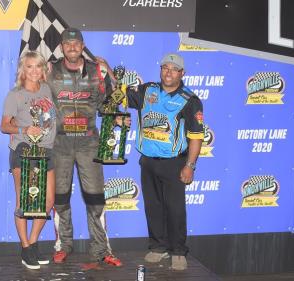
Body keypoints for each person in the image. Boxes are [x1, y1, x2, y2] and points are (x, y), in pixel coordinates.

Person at [46, 27, 122, 267]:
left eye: (76, 44)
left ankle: (101, 249)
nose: (72, 48)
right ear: (61, 47)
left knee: (96, 197)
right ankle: (63, 245)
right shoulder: (50, 70)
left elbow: (111, 100)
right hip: (60, 141)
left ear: (82, 45)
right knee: (60, 197)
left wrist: (110, 73)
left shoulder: (96, 71)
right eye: (67, 44)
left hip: (89, 141)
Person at [125, 53, 204, 270]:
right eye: (164, 68)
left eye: (173, 69)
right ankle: (158, 247)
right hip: (148, 161)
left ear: (182, 73)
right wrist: (107, 72)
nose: (168, 72)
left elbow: (196, 137)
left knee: (175, 209)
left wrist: (190, 165)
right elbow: (121, 96)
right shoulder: (147, 90)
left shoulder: (190, 100)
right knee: (153, 206)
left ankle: (178, 250)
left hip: (174, 163)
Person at [0, 51, 57, 270]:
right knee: (24, 201)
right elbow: (4, 126)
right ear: (23, 69)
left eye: (38, 67)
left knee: (48, 201)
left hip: (46, 150)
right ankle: (25, 247)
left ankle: (33, 243)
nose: (34, 71)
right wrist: (25, 128)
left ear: (43, 69)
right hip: (23, 150)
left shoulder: (46, 90)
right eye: (30, 67)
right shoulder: (15, 94)